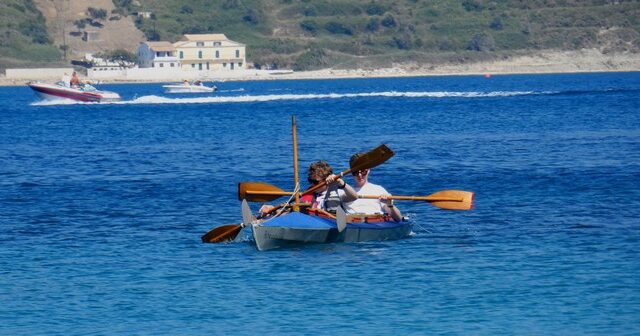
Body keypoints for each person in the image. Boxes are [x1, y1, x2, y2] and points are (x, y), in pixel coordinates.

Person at [259, 161, 357, 216]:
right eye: (310, 180)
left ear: (325, 180)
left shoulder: (335, 193)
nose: (312, 184)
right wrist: (273, 210)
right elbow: (292, 210)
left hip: (328, 223)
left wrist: (340, 182)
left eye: (315, 182)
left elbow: (353, 196)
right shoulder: (308, 194)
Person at [344, 153, 403, 222]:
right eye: (356, 172)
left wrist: (389, 204)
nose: (360, 175)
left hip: (375, 223)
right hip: (352, 223)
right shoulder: (344, 191)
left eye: (363, 171)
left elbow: (399, 218)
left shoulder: (378, 190)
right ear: (351, 172)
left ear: (368, 170)